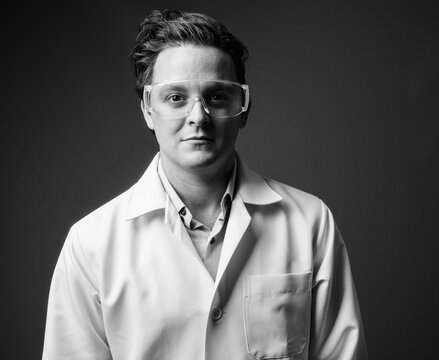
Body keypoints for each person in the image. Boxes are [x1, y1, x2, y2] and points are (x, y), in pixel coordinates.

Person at [42, 9, 367, 360]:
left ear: (243, 107)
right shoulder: (91, 244)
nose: (198, 117)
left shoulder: (309, 222)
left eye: (216, 96)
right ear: (148, 110)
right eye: (176, 97)